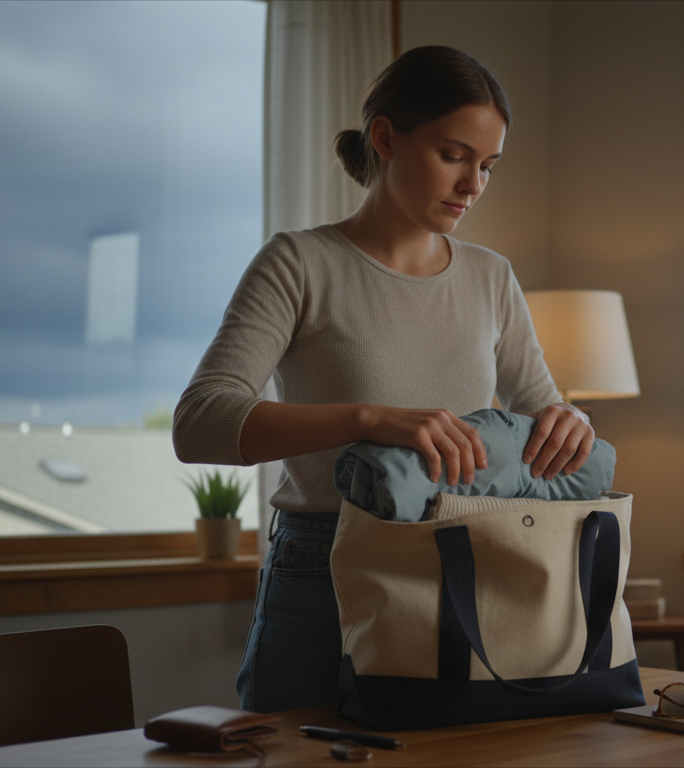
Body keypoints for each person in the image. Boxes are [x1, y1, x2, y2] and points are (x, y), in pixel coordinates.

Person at [172, 45, 595, 713]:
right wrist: (371, 418)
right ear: (386, 137)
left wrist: (570, 421)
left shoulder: (492, 277)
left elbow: (542, 414)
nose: (473, 185)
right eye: (454, 156)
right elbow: (199, 423)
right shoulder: (300, 262)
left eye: (487, 166)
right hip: (323, 568)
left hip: (463, 558)